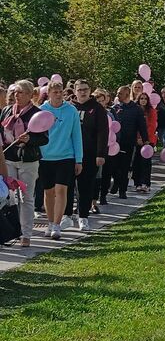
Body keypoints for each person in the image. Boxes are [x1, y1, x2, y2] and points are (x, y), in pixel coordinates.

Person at [1, 80, 47, 247]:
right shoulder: (6, 111)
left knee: (26, 198)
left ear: (29, 95)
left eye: (20, 92)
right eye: (15, 92)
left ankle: (26, 234)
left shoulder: (36, 113)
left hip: (28, 160)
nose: (16, 95)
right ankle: (11, 232)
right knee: (8, 197)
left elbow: (44, 138)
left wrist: (30, 139)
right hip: (8, 160)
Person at [39, 81, 83, 240]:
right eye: (55, 92)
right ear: (49, 93)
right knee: (48, 191)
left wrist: (79, 159)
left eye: (60, 91)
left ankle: (57, 225)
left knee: (61, 190)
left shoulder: (71, 111)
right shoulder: (42, 110)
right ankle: (50, 222)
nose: (58, 95)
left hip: (66, 156)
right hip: (45, 157)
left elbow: (76, 136)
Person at [63, 80, 108, 232]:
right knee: (67, 186)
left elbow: (103, 132)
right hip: (68, 153)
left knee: (85, 186)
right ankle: (67, 216)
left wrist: (100, 153)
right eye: (80, 89)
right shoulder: (68, 107)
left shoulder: (97, 109)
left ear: (90, 91)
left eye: (86, 89)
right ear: (74, 91)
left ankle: (83, 217)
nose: (83, 92)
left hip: (89, 154)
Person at [110, 86, 149, 199]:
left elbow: (142, 126)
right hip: (115, 142)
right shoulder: (115, 108)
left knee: (125, 167)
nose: (117, 95)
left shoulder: (136, 109)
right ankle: (116, 181)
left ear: (126, 94)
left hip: (129, 142)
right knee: (113, 166)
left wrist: (145, 140)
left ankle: (123, 190)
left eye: (119, 93)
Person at [132, 92, 157, 192]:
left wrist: (145, 139)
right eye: (141, 98)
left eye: (145, 99)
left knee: (146, 163)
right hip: (137, 141)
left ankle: (146, 183)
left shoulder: (151, 111)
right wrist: (137, 138)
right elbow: (134, 126)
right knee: (137, 162)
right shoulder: (135, 111)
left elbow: (152, 126)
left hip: (148, 141)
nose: (143, 100)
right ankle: (137, 183)